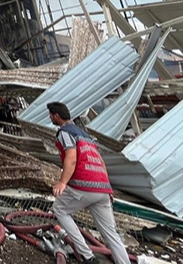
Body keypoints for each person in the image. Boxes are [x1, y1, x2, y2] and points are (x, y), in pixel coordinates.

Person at [47, 102, 131, 265]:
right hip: (103, 188)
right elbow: (101, 162)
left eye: (50, 115)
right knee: (111, 233)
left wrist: (62, 182)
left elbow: (71, 157)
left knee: (60, 209)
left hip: (84, 185)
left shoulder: (64, 132)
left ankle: (87, 256)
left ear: (56, 116)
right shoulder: (85, 135)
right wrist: (108, 189)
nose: (50, 117)